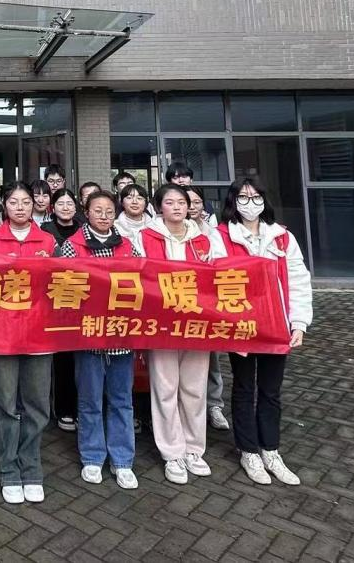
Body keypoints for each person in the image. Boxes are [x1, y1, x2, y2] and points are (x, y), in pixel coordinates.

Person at [218, 177, 312, 486]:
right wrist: (230, 331)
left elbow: (298, 280)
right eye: (243, 197)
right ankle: (248, 451)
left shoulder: (282, 237)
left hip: (276, 325)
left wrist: (299, 322)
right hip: (242, 327)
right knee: (244, 388)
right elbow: (213, 283)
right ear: (233, 201)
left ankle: (271, 449)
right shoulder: (220, 236)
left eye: (256, 196)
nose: (251, 202)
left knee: (271, 391)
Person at [139, 184, 227, 485]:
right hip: (162, 324)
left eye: (182, 202)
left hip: (197, 324)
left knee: (194, 388)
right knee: (165, 388)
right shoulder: (144, 237)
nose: (177, 207)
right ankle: (172, 451)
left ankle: (193, 448)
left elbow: (220, 275)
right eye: (170, 202)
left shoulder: (205, 238)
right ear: (159, 207)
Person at [56, 191, 141, 490]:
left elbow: (142, 285)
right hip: (88, 335)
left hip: (121, 335)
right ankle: (92, 456)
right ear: (86, 212)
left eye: (109, 211)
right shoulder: (72, 246)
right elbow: (65, 289)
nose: (104, 216)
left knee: (122, 400)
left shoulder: (128, 246)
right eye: (97, 210)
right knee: (89, 401)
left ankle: (122, 460)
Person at [0, 182, 56, 504]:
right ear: (4, 205)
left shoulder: (48, 240)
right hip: (2, 334)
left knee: (37, 404)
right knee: (5, 404)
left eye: (26, 202)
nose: (21, 207)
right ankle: (8, 468)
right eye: (14, 202)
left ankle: (32, 467)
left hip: (39, 332)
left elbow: (60, 284)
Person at [183, 185, 230, 432]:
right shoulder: (164, 230)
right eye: (187, 202)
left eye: (196, 202)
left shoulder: (213, 234)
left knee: (211, 359)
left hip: (207, 306)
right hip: (178, 303)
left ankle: (214, 405)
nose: (192, 207)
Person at [41, 189, 80, 433]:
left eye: (70, 203)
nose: (66, 207)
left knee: (81, 360)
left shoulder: (84, 230)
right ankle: (63, 408)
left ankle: (80, 408)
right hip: (55, 301)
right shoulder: (44, 232)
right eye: (61, 203)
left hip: (83, 301)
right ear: (52, 207)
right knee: (62, 359)